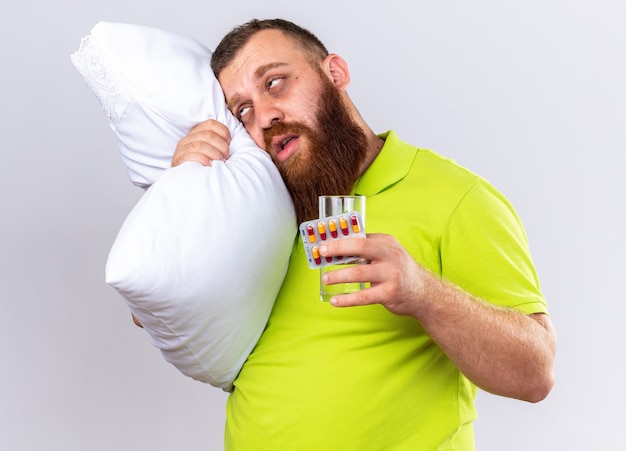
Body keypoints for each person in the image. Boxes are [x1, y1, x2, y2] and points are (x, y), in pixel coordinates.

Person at [171, 18, 556, 450]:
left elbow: (534, 374)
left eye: (275, 83)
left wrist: (423, 292)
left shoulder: (457, 197)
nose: (264, 116)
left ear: (335, 73)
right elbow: (157, 310)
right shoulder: (253, 207)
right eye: (242, 109)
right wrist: (184, 191)